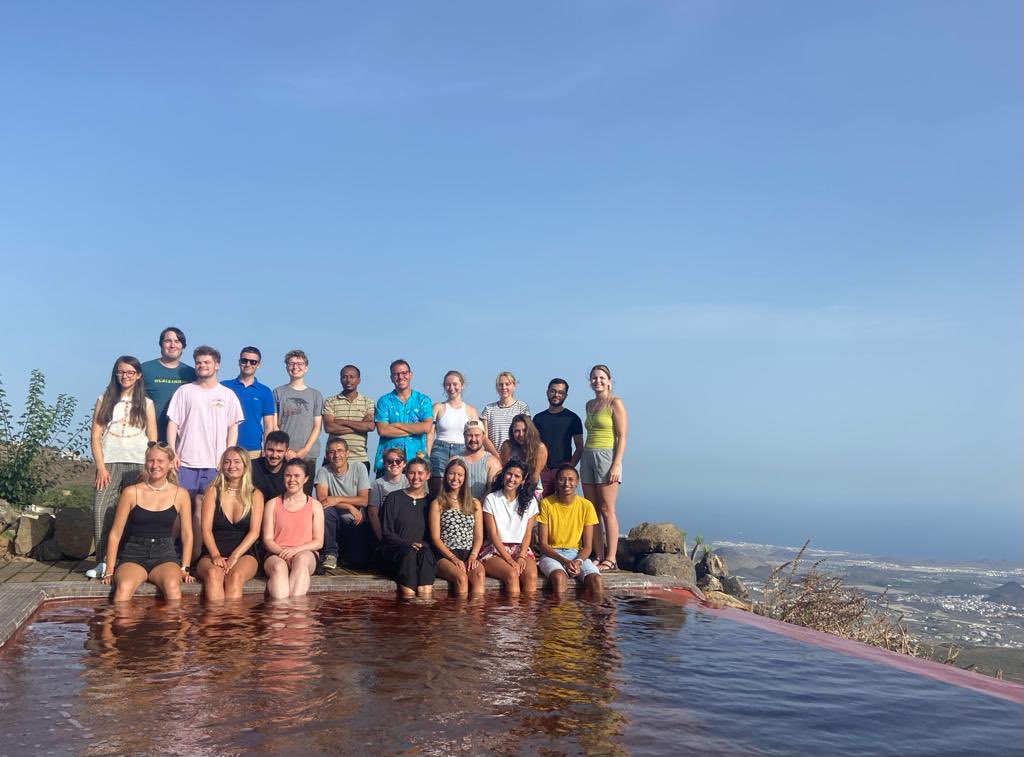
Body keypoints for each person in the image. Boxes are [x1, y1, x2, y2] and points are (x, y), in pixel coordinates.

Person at [166, 345, 244, 559]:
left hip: (214, 464)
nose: (202, 366)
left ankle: (197, 556)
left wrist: (227, 457)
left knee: (203, 510)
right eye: (199, 362)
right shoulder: (185, 392)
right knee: (177, 509)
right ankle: (168, 550)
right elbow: (173, 423)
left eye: (207, 362)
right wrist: (173, 453)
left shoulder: (227, 395)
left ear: (216, 365)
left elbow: (233, 428)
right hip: (186, 462)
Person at [86, 356, 157, 580]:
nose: (124, 376)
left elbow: (152, 439)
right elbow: (95, 436)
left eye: (129, 372)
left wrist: (150, 466)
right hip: (109, 462)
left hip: (137, 462)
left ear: (138, 376)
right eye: (120, 372)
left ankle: (126, 561)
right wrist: (100, 467)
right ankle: (102, 562)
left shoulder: (146, 403)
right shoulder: (103, 399)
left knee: (134, 513)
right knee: (101, 510)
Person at [101, 442, 195, 601]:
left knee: (173, 588)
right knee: (123, 588)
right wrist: (109, 570)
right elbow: (116, 533)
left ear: (170, 464)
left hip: (165, 555)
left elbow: (187, 534)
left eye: (160, 461)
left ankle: (172, 626)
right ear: (146, 463)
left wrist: (185, 567)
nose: (155, 465)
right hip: (134, 553)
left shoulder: (180, 494)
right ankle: (118, 626)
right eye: (151, 460)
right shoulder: (131, 492)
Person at [195, 446, 264, 601]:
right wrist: (216, 555)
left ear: (245, 465)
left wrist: (234, 556)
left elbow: (255, 532)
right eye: (227, 462)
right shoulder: (212, 491)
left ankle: (232, 623)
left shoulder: (255, 495)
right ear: (222, 466)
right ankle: (214, 622)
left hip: (244, 554)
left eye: (237, 462)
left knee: (236, 575)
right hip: (212, 553)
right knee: (214, 574)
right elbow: (205, 529)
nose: (232, 466)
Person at [581, 364, 628, 571]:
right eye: (594, 378)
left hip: (606, 456)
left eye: (601, 378)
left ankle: (611, 557)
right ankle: (598, 555)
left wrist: (617, 463)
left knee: (607, 509)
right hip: (588, 455)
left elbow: (622, 436)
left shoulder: (615, 402)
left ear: (609, 381)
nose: (597, 381)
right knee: (592, 510)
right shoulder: (589, 404)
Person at [536, 465, 602, 599]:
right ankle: (561, 615)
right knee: (560, 577)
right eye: (562, 479)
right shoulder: (546, 504)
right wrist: (564, 561)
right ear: (556, 482)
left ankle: (598, 615)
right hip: (552, 554)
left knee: (596, 580)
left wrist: (577, 561)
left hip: (575, 554)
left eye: (571, 479)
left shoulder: (586, 506)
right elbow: (543, 544)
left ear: (577, 482)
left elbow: (588, 546)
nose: (567, 483)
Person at [262, 459, 325, 599]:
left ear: (306, 478)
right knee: (279, 567)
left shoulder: (315, 505)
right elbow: (267, 540)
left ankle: (296, 611)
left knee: (301, 559)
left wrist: (295, 550)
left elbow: (318, 541)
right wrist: (284, 553)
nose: (292, 480)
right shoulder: (272, 504)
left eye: (297, 476)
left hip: (305, 553)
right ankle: (280, 610)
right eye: (288, 475)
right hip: (276, 554)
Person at [379, 457, 436, 598]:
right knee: (409, 553)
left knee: (426, 553)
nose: (416, 477)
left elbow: (434, 534)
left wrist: (422, 544)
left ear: (428, 475)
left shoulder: (432, 502)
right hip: (397, 551)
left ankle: (425, 602)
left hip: (422, 552)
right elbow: (387, 532)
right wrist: (408, 544)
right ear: (406, 474)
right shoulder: (393, 498)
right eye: (411, 473)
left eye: (420, 473)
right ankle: (409, 603)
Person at [480, 460, 539, 596]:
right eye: (509, 474)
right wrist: (509, 559)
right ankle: (513, 615)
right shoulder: (491, 499)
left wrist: (521, 556)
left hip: (521, 548)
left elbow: (527, 534)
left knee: (531, 577)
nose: (511, 479)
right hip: (495, 549)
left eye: (517, 476)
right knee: (512, 574)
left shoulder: (530, 502)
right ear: (504, 475)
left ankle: (527, 615)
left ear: (523, 480)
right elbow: (493, 534)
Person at [428, 458, 485, 595]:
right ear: (446, 475)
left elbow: (478, 536)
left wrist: (473, 556)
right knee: (461, 578)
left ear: (465, 478)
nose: (455, 478)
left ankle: (476, 614)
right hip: (445, 555)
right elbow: (435, 538)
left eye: (460, 475)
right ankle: (459, 615)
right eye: (452, 473)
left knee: (479, 575)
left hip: (468, 553)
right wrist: (453, 558)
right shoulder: (438, 503)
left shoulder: (475, 503)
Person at [315, 436, 371, 570]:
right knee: (325, 511)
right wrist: (348, 505)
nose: (336, 455)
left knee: (358, 561)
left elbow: (364, 500)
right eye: (332, 452)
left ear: (347, 453)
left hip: (354, 520)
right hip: (334, 518)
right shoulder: (323, 471)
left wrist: (337, 499)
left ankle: (348, 555)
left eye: (340, 451)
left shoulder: (359, 467)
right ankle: (331, 554)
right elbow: (323, 500)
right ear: (327, 455)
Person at [373, 359, 432, 475]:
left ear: (410, 375)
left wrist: (397, 425)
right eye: (396, 374)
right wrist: (415, 429)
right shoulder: (384, 401)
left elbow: (426, 427)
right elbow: (383, 430)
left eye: (404, 373)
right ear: (391, 378)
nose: (400, 377)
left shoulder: (423, 400)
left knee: (417, 493)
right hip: (390, 461)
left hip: (416, 459)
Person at [429, 370, 480, 495]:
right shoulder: (438, 407)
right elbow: (429, 434)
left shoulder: (471, 410)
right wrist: (427, 454)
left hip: (462, 450)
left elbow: (477, 436)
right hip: (440, 449)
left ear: (462, 385)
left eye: (455, 384)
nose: (452, 388)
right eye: (448, 384)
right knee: (438, 489)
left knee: (459, 487)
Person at [142, 326, 197, 442]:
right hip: (149, 437)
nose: (172, 345)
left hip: (181, 439)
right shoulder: (145, 369)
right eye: (168, 341)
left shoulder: (191, 373)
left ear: (183, 346)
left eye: (177, 341)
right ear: (161, 344)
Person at [273, 349, 325, 471]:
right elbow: (274, 425)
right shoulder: (278, 392)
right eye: (291, 363)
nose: (295, 367)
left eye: (300, 364)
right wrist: (286, 450)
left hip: (308, 455)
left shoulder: (315, 394)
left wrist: (305, 450)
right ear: (286, 367)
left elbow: (317, 427)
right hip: (283, 454)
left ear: (306, 367)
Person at [221, 346, 276, 459]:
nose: (248, 364)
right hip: (225, 447)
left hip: (253, 450)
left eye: (253, 362)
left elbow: (269, 425)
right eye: (244, 360)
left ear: (258, 365)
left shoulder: (265, 391)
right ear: (239, 362)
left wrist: (266, 448)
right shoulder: (224, 387)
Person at [532, 378, 584, 497]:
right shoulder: (538, 418)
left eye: (561, 392)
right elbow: (533, 445)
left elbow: (580, 447)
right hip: (542, 470)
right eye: (553, 391)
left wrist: (569, 467)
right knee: (540, 505)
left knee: (562, 505)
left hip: (562, 470)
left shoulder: (573, 418)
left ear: (565, 395)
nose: (556, 395)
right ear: (547, 392)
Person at [322, 364, 375, 472]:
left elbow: (370, 426)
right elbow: (329, 427)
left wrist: (341, 421)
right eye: (344, 377)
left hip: (359, 459)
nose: (348, 380)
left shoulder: (368, 402)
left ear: (359, 380)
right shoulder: (330, 401)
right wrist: (358, 427)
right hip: (333, 458)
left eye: (352, 377)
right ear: (340, 379)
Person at [252, 430, 314, 501]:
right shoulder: (251, 467)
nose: (274, 455)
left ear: (286, 451)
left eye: (279, 451)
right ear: (264, 449)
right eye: (270, 450)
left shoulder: (291, 470)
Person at [480, 371, 530, 456]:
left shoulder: (522, 407)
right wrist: (497, 456)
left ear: (514, 386)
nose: (504, 387)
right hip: (493, 457)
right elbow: (484, 437)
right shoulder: (488, 409)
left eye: (507, 384)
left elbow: (527, 432)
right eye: (500, 384)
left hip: (517, 456)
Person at [498, 414, 548, 498]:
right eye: (517, 431)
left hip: (531, 489)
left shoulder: (540, 448)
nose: (521, 434)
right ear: (512, 432)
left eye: (524, 430)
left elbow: (534, 477)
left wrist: (524, 497)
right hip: (509, 486)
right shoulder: (507, 446)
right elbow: (504, 471)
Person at [367, 446, 408, 542]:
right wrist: (382, 539)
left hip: (406, 528)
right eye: (390, 461)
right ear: (384, 464)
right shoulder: (377, 484)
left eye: (398, 461)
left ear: (404, 463)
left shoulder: (410, 481)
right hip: (386, 529)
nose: (394, 464)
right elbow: (373, 514)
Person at [461, 419, 501, 501]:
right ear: (464, 436)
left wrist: (477, 506)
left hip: (483, 509)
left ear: (483, 436)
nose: (473, 439)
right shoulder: (455, 460)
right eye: (469, 435)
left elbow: (492, 491)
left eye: (477, 435)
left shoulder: (492, 462)